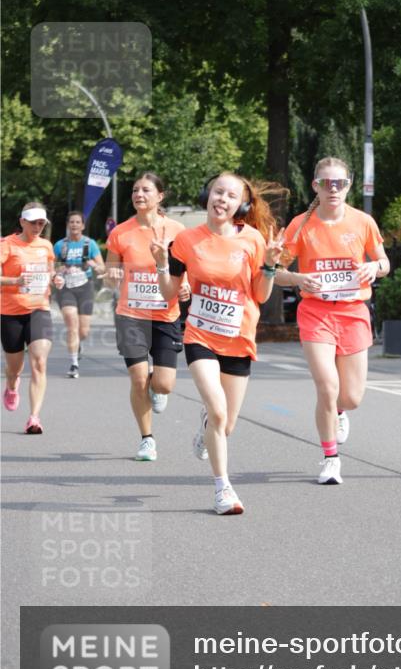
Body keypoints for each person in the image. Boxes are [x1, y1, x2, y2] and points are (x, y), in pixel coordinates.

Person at [151, 172, 285, 515]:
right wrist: (162, 265)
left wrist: (269, 265)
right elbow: (169, 294)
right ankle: (223, 489)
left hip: (239, 338)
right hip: (201, 335)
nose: (221, 199)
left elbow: (260, 294)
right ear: (206, 195)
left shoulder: (253, 240)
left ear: (240, 204)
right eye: (217, 192)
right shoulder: (186, 240)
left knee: (225, 424)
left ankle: (206, 428)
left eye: (230, 195)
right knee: (219, 409)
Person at [276, 157, 390, 485]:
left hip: (353, 312)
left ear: (348, 186)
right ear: (315, 186)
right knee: (327, 387)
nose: (333, 189)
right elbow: (276, 272)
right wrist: (298, 278)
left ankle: (339, 413)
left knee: (350, 397)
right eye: (326, 183)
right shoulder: (300, 224)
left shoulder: (363, 221)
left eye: (339, 183)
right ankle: (330, 459)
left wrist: (374, 268)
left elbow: (384, 261)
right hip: (315, 313)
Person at [105, 172, 190, 462]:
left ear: (160, 196)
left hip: (166, 315)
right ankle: (147, 440)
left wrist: (186, 283)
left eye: (146, 190)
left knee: (164, 384)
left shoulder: (177, 230)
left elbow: (188, 268)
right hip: (131, 315)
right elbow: (110, 274)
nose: (139, 195)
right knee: (138, 377)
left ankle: (158, 387)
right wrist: (112, 275)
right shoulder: (120, 233)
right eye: (135, 190)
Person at [1, 202, 64, 433]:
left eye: (41, 223)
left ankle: (34, 417)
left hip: (39, 309)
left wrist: (56, 279)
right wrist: (15, 281)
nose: (38, 227)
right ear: (22, 222)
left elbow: (50, 271)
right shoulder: (7, 245)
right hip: (11, 313)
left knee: (39, 362)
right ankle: (11, 385)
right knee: (14, 368)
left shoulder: (46, 246)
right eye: (33, 222)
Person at [53, 210, 105, 378]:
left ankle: (78, 345)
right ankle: (74, 364)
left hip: (85, 287)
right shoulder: (60, 245)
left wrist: (94, 265)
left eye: (77, 222)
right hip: (66, 288)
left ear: (82, 225)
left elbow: (102, 267)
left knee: (83, 330)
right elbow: (51, 267)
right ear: (68, 225)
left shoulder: (90, 245)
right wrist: (57, 269)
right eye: (71, 222)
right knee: (71, 323)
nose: (74, 225)